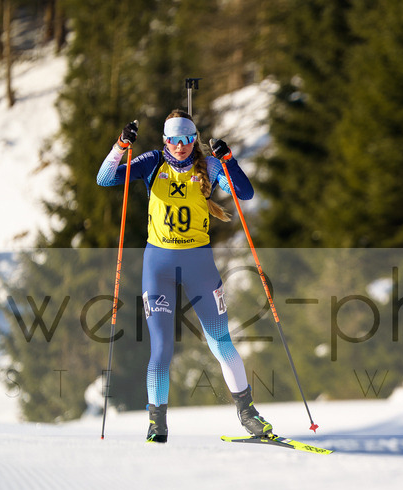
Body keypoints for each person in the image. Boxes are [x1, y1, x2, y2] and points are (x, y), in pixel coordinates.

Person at [96, 110, 273, 443]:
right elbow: (106, 179)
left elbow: (244, 194)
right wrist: (120, 146)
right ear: (165, 140)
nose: (181, 147)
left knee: (221, 342)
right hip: (158, 267)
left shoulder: (209, 166)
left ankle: (248, 414)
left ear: (195, 139)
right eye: (174, 140)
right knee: (162, 348)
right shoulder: (151, 163)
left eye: (188, 139)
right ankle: (156, 423)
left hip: (199, 266)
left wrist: (229, 159)